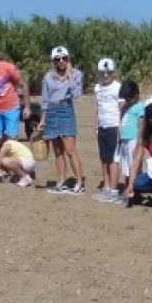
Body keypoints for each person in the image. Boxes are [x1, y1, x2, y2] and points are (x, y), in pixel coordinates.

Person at [38, 46, 86, 194]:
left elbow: (76, 93)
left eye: (64, 58)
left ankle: (79, 183)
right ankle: (61, 182)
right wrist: (42, 120)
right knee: (57, 151)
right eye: (57, 59)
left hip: (65, 109)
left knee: (70, 150)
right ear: (53, 61)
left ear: (68, 59)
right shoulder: (48, 77)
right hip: (52, 111)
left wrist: (70, 75)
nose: (61, 61)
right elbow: (45, 100)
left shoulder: (77, 74)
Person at [103, 79, 145, 203]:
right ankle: (128, 190)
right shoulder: (126, 106)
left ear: (136, 96)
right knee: (126, 167)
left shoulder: (139, 107)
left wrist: (139, 142)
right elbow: (121, 121)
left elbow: (141, 126)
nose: (126, 101)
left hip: (133, 139)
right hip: (124, 139)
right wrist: (118, 135)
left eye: (128, 99)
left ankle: (133, 191)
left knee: (133, 167)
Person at [92, 58, 123, 200]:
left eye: (108, 73)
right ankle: (106, 185)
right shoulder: (97, 88)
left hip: (114, 126)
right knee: (104, 158)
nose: (105, 76)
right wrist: (96, 125)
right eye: (102, 73)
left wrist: (120, 128)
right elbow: (98, 108)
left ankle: (114, 189)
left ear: (113, 72)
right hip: (102, 125)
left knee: (113, 159)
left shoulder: (118, 87)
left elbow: (121, 109)